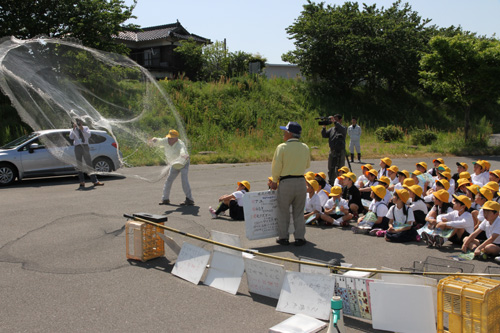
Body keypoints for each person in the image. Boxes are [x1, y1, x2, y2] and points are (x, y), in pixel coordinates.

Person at [271, 121, 311, 246]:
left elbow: (277, 167)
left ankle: (283, 237)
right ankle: (299, 237)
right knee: (299, 211)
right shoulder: (305, 147)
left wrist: (274, 180)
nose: (283, 133)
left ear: (289, 133)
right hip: (300, 181)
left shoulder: (282, 147)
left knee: (283, 211)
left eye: (285, 131)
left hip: (286, 181)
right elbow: (307, 165)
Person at [150, 129, 194, 206]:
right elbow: (159, 140)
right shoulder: (166, 140)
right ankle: (165, 199)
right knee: (169, 180)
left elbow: (182, 150)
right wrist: (155, 139)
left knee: (184, 180)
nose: (169, 139)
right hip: (175, 163)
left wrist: (183, 155)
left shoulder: (180, 144)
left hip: (183, 163)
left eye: (172, 138)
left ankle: (189, 199)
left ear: (176, 138)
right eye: (169, 137)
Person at [69, 118, 104, 189]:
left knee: (89, 163)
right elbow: (71, 137)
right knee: (79, 164)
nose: (79, 124)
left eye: (79, 122)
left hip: (85, 146)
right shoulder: (73, 130)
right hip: (78, 147)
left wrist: (82, 129)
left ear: (82, 122)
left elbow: (88, 135)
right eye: (77, 122)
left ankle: (95, 181)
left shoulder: (86, 128)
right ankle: (82, 182)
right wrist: (74, 128)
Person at [321, 114, 346, 185]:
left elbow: (343, 130)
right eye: (333, 120)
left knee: (340, 168)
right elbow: (324, 135)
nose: (334, 121)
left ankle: (340, 182)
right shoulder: (332, 129)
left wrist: (335, 122)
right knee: (330, 168)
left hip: (340, 151)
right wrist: (324, 127)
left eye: (336, 120)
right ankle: (331, 182)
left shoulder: (343, 128)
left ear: (340, 120)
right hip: (332, 151)